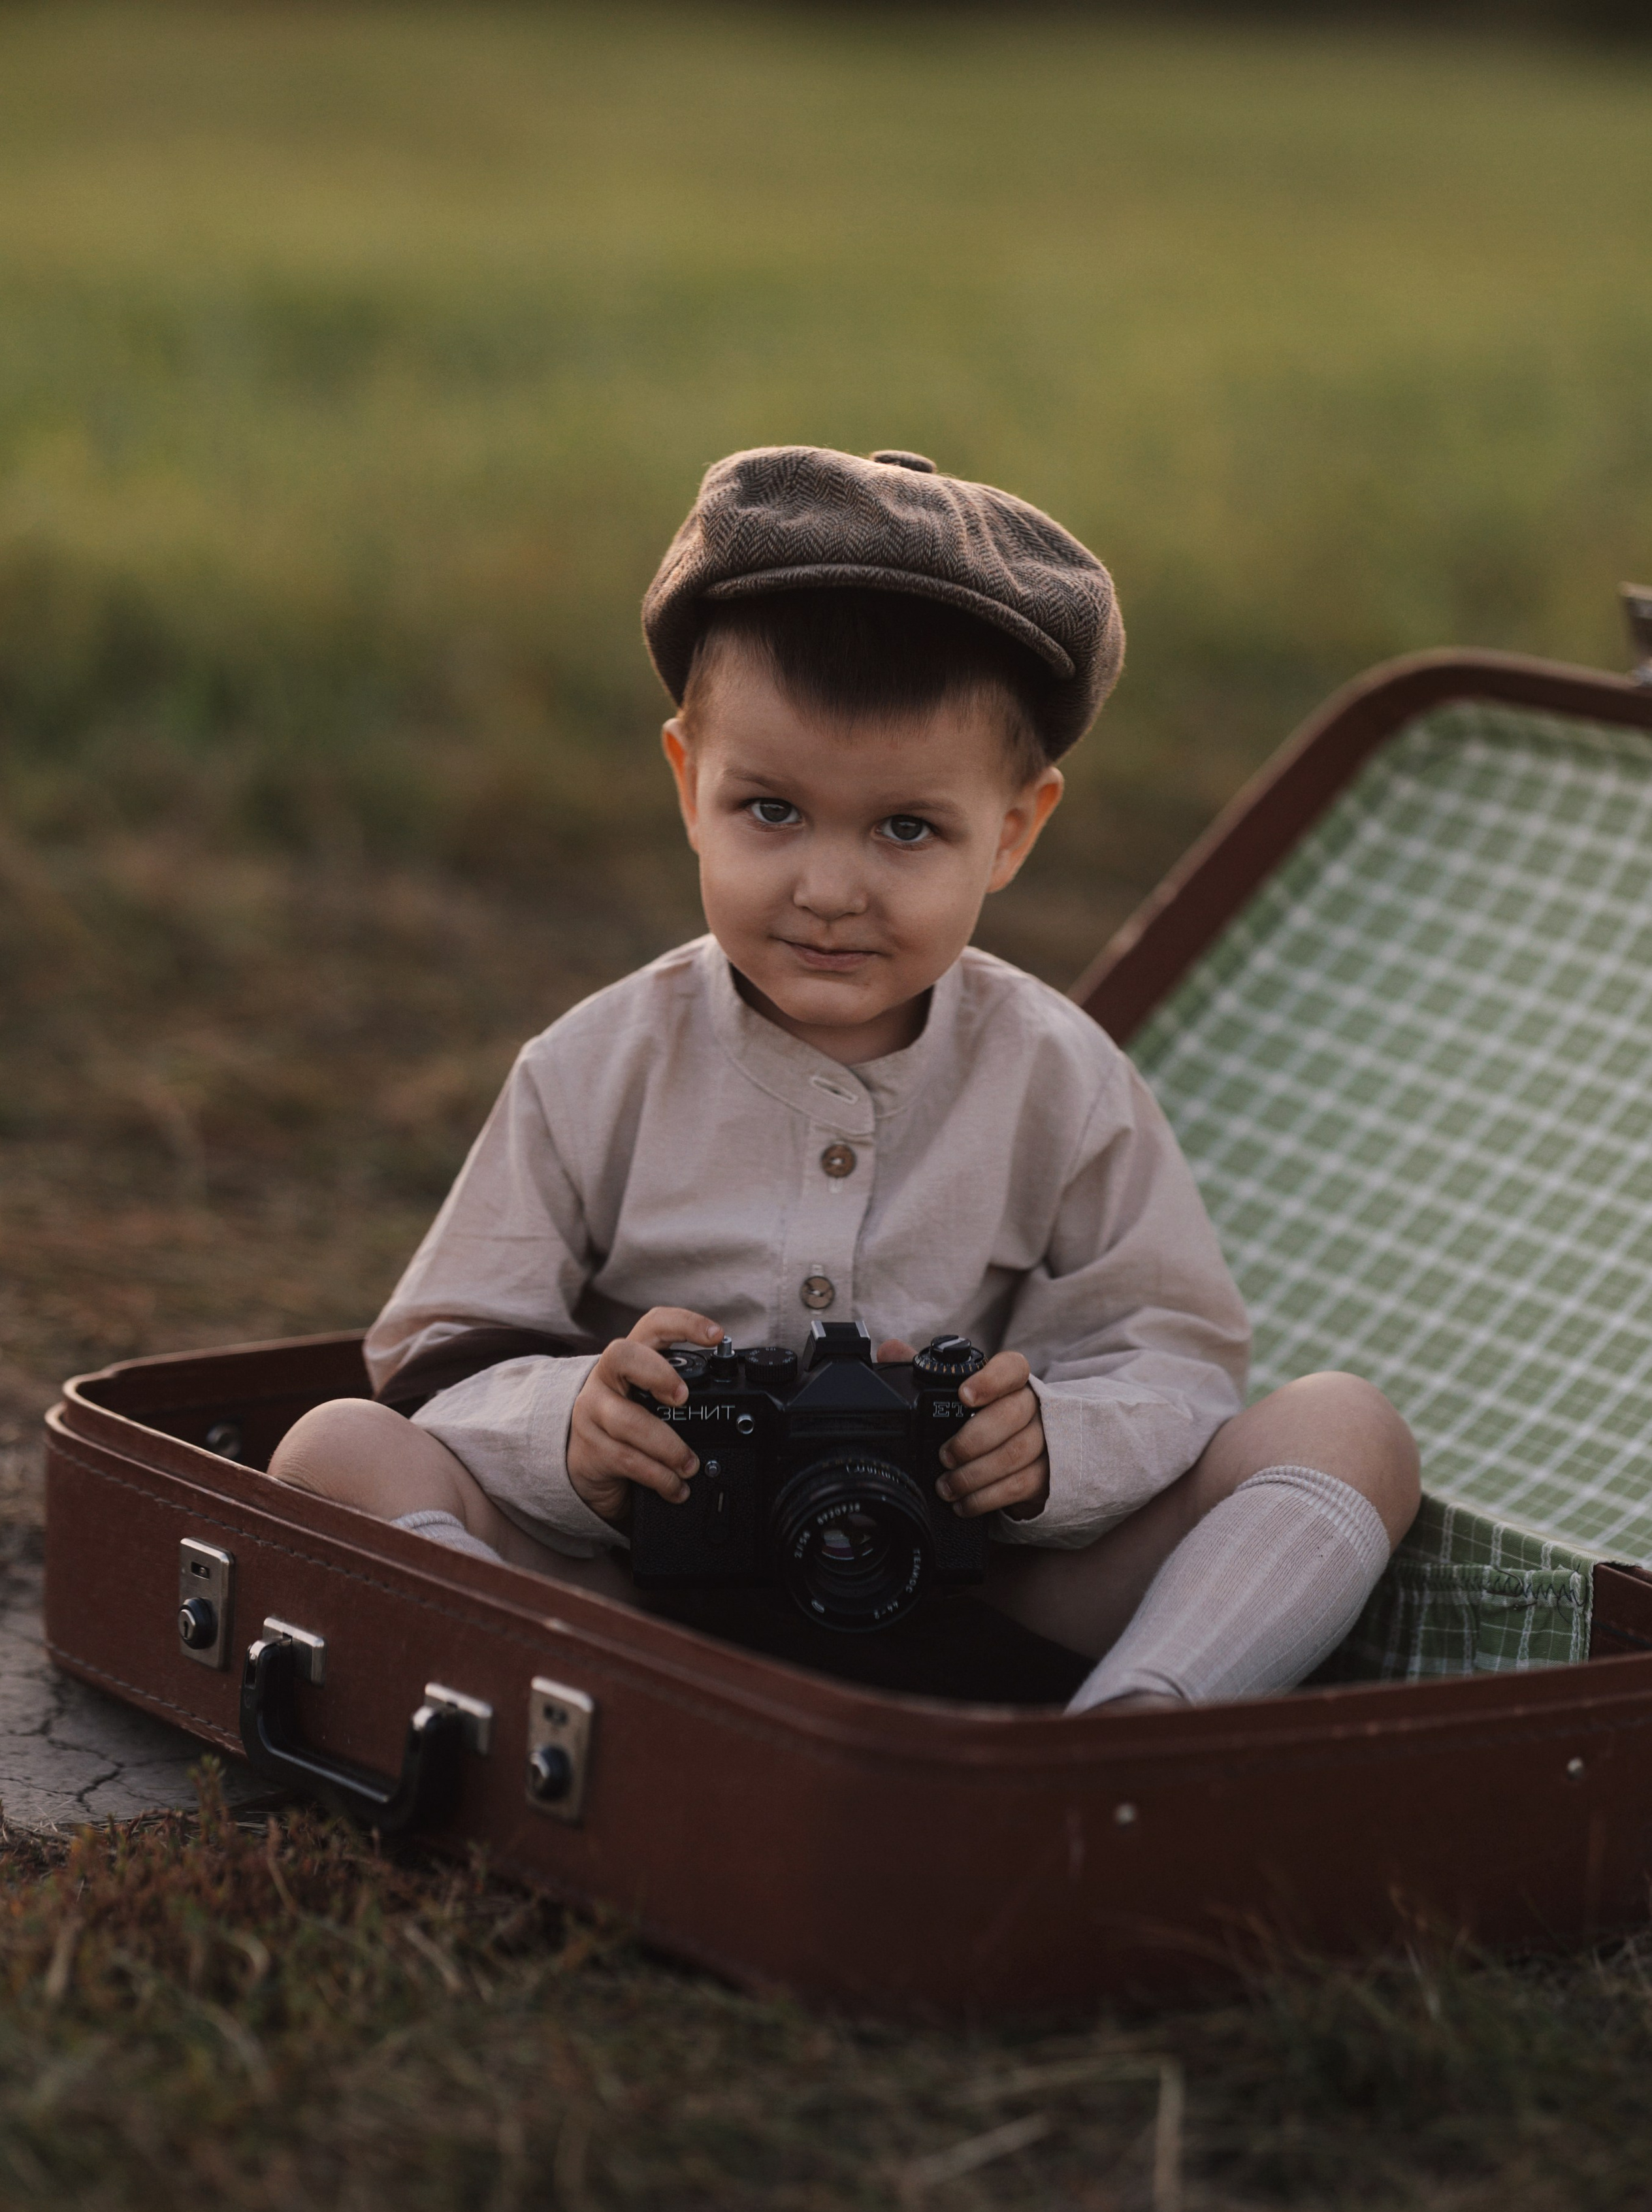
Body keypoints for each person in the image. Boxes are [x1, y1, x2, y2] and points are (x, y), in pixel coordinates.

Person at [270, 446, 1419, 1712]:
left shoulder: (1057, 1077)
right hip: (634, 1601)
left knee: (1342, 1428)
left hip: (982, 1591)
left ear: (1015, 832)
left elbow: (1167, 1355)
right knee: (337, 1449)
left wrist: (1051, 1451)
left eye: (906, 829)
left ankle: (1133, 1732)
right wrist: (573, 1431)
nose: (828, 888)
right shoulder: (595, 1066)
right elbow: (437, 1354)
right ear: (685, 787)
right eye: (769, 810)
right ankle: (542, 1693)